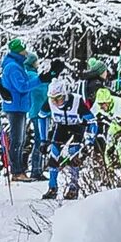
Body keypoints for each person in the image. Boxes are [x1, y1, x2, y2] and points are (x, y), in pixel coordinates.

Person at [0, 38, 44, 183]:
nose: (25, 52)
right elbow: (22, 86)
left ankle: (18, 170)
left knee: (20, 139)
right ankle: (17, 171)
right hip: (15, 106)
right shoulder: (13, 67)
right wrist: (40, 80)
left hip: (19, 106)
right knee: (17, 139)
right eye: (23, 49)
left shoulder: (16, 64)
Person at [43, 64, 90, 200]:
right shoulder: (50, 102)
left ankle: (73, 187)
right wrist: (43, 138)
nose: (56, 102)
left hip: (77, 127)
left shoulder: (76, 101)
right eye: (53, 99)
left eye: (59, 98)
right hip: (61, 127)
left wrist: (90, 138)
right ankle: (52, 187)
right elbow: (41, 117)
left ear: (65, 94)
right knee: (54, 154)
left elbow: (91, 120)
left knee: (73, 153)